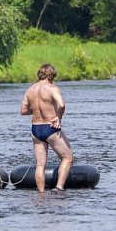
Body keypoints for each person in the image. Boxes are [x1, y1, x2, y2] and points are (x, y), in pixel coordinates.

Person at [20, 64, 73, 192]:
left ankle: (41, 193)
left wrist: (37, 110)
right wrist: (58, 118)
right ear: (51, 75)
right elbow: (61, 104)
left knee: (40, 165)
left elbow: (23, 111)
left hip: (36, 129)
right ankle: (59, 188)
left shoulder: (30, 90)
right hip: (50, 127)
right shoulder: (52, 88)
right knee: (67, 157)